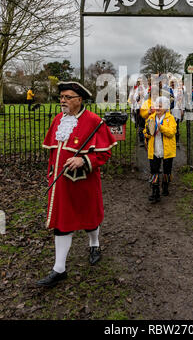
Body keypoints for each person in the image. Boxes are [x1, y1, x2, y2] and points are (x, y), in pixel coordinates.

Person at [36, 81, 117, 288]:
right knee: (62, 223)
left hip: (84, 183)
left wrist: (84, 160)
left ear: (79, 100)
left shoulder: (94, 121)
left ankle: (94, 244)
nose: (63, 101)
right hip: (61, 183)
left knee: (90, 219)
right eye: (61, 97)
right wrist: (51, 173)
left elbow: (105, 153)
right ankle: (59, 269)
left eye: (68, 97)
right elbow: (54, 151)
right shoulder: (58, 120)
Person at [143, 96, 177, 203]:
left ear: (166, 108)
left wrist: (160, 127)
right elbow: (145, 133)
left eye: (160, 106)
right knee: (154, 171)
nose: (157, 108)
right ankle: (155, 192)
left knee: (167, 171)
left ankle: (165, 186)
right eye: (157, 105)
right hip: (154, 148)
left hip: (167, 149)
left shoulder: (170, 118)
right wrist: (148, 132)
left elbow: (171, 132)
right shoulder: (150, 118)